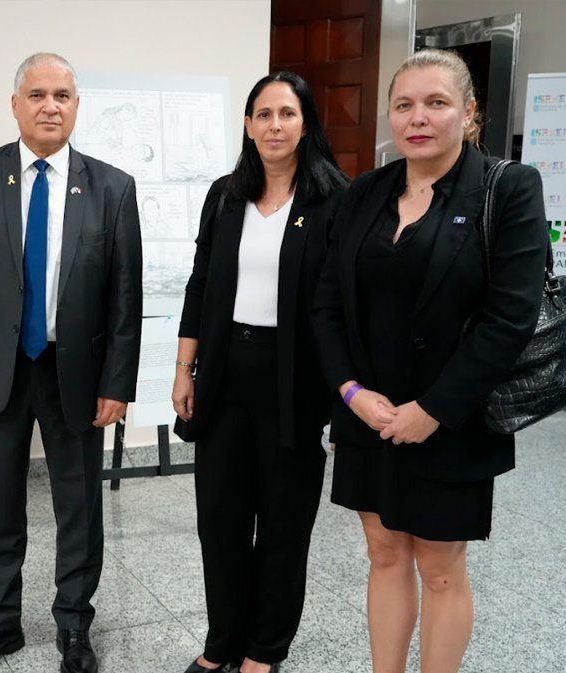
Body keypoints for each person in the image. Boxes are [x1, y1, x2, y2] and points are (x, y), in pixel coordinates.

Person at [312, 49, 548, 673]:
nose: (418, 118)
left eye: (436, 103)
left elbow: (510, 319)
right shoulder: (364, 192)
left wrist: (435, 410)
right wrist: (349, 392)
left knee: (440, 568)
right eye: (404, 105)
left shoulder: (507, 187)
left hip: (453, 416)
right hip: (369, 411)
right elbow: (327, 304)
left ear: (469, 112)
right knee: (384, 552)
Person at [0, 52, 142, 673]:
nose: (51, 106)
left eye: (63, 96)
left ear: (76, 106)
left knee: (79, 505)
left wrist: (118, 383)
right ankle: (0, 622)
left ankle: (74, 624)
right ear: (15, 104)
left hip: (76, 371)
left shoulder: (112, 187)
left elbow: (124, 297)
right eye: (38, 95)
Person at [172, 71, 347, 673]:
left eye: (287, 114)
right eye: (264, 114)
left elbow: (345, 304)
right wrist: (184, 369)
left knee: (283, 523)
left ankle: (263, 650)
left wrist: (344, 391)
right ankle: (222, 642)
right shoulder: (225, 195)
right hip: (224, 373)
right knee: (219, 519)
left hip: (294, 378)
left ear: (306, 123)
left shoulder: (333, 199)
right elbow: (199, 285)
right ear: (247, 125)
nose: (275, 125)